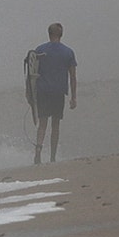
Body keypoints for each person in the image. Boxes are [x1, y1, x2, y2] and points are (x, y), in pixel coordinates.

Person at [28, 22, 77, 164]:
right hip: (58, 92)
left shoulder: (39, 50)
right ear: (61, 34)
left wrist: (30, 95)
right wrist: (73, 97)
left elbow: (32, 74)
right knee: (55, 124)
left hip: (42, 91)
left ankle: (38, 150)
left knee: (42, 123)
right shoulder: (68, 52)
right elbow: (73, 76)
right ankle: (53, 157)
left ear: (49, 34)